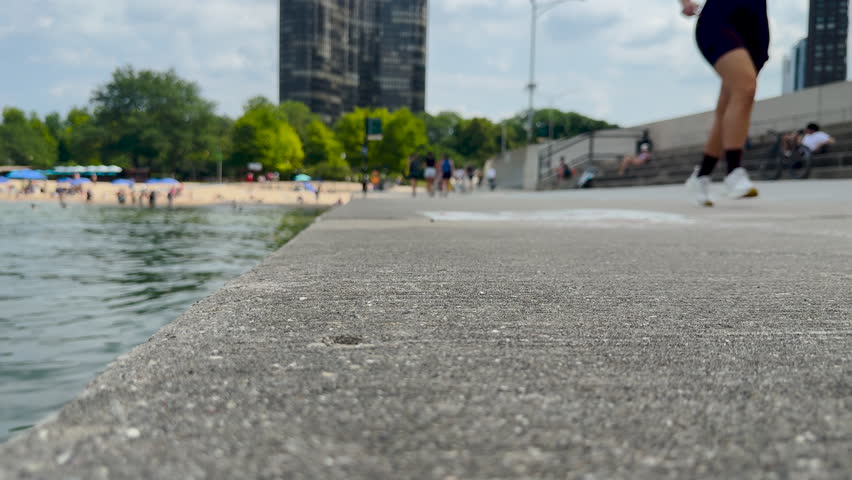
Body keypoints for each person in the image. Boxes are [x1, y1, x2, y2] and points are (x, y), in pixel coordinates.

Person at [683, 0, 766, 207]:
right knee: (745, 88)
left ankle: (702, 176)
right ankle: (734, 172)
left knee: (729, 103)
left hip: (754, 24)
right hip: (719, 18)